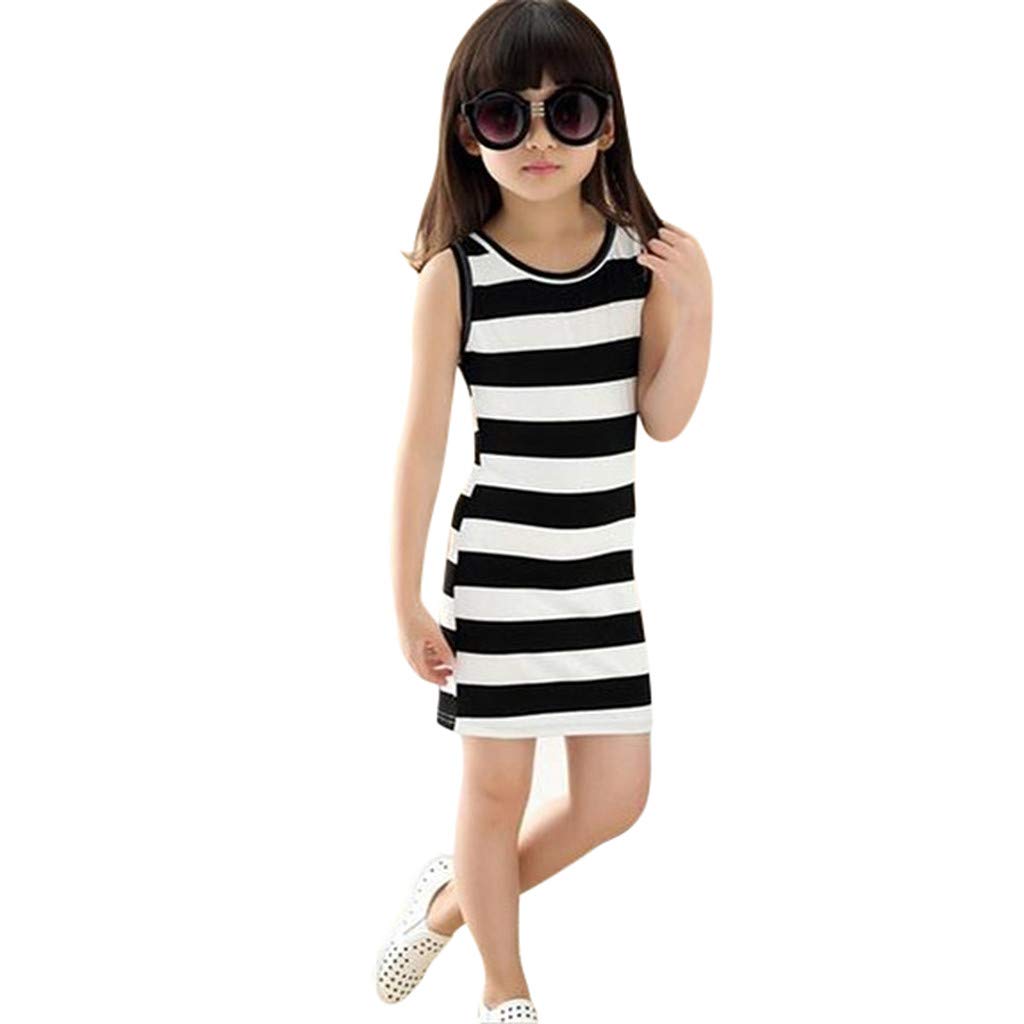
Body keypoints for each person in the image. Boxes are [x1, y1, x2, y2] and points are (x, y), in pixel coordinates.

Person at [377, 1, 712, 1020]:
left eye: (566, 111)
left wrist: (698, 303)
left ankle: (448, 907)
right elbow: (421, 445)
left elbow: (662, 417)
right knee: (494, 795)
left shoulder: (639, 261)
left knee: (616, 799)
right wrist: (404, 599)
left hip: (601, 577)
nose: (536, 139)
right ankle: (504, 988)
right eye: (503, 114)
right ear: (465, 132)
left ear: (605, 127)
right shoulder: (457, 276)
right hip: (500, 576)